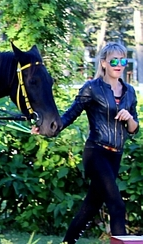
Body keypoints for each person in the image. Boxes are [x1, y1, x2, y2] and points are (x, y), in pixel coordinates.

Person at [58, 42, 139, 243]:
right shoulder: (91, 88)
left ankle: (67, 242)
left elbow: (134, 129)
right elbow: (70, 115)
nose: (119, 65)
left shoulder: (129, 91)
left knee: (90, 206)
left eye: (123, 60)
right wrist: (47, 128)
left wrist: (129, 118)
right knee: (117, 205)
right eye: (114, 61)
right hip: (96, 152)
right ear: (103, 63)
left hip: (115, 156)